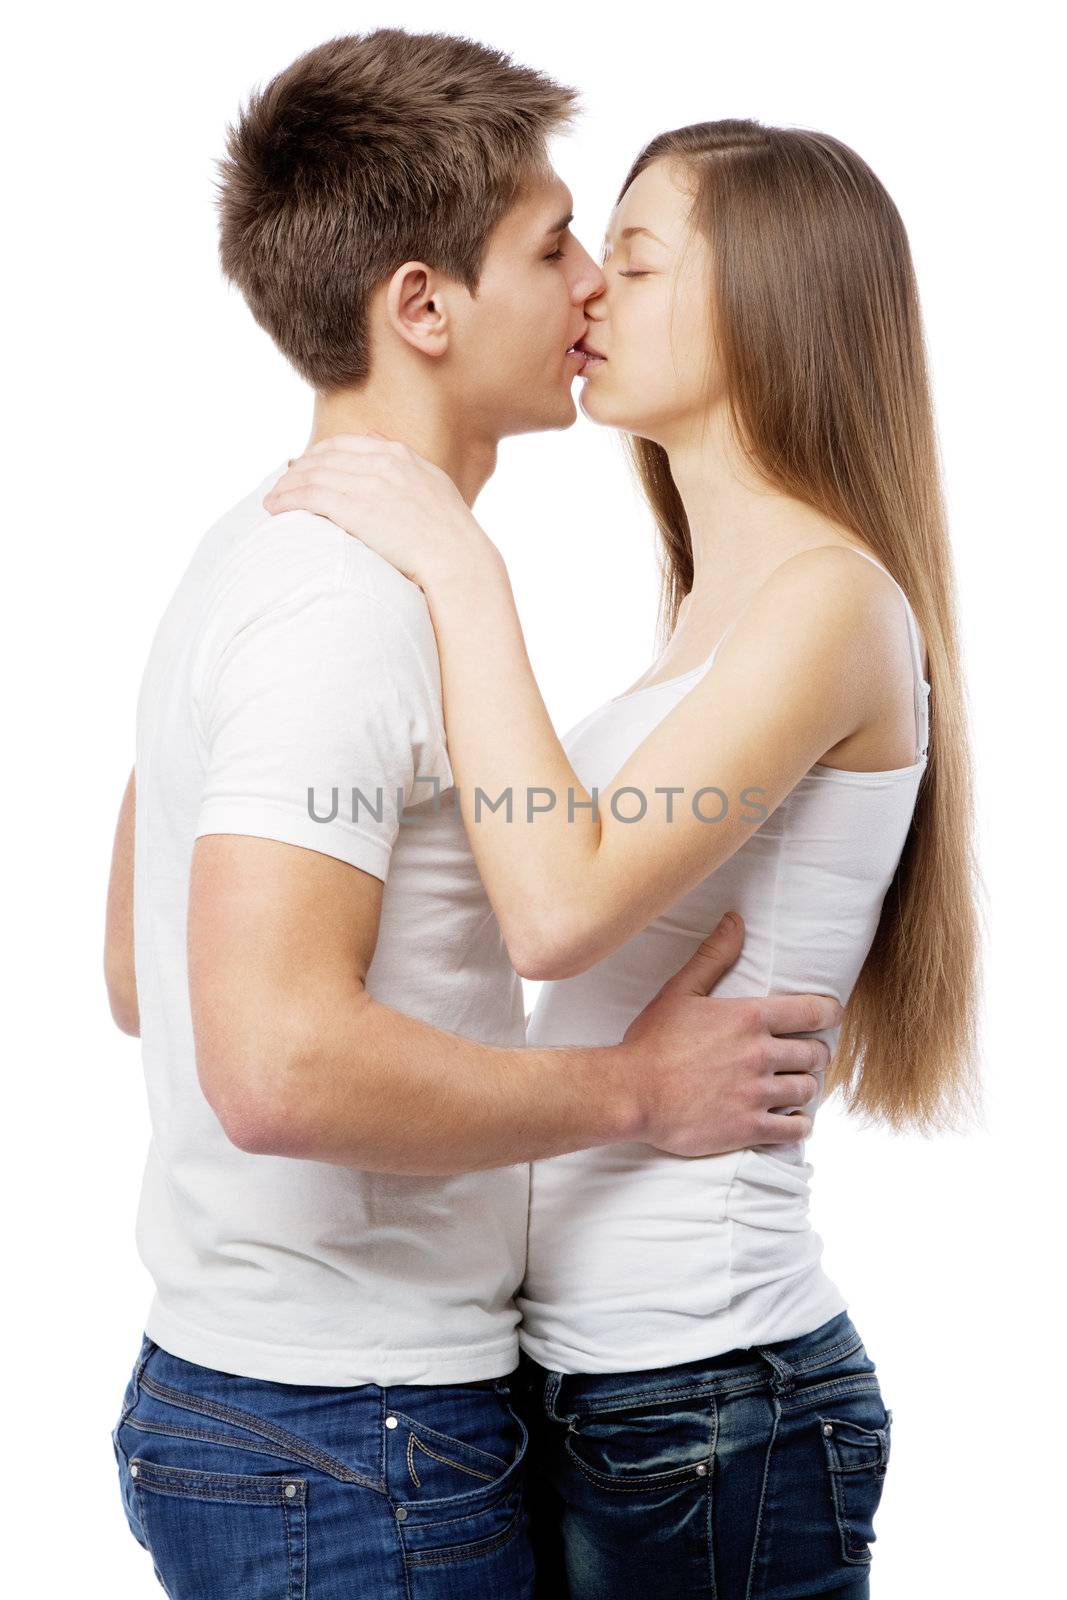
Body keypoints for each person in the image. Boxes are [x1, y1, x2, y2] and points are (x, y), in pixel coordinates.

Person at [103, 37, 841, 1600]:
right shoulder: (344, 605)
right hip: (350, 1437)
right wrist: (633, 1093)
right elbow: (275, 1061)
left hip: (312, 1417)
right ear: (424, 307)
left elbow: (137, 969)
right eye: (555, 243)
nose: (586, 286)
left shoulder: (257, 555)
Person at [265, 119, 983, 1596]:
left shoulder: (830, 604)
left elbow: (558, 909)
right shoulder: (718, 614)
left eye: (638, 260)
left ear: (771, 302)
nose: (587, 291)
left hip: (715, 1403)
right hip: (603, 1394)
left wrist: (461, 567)